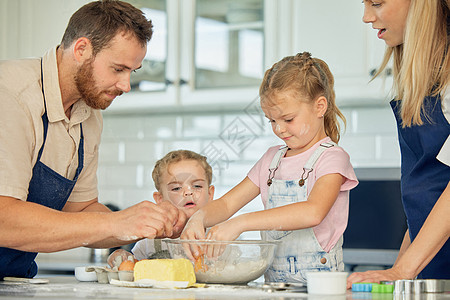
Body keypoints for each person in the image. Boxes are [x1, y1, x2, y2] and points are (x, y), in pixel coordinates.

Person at [0, 0, 186, 279]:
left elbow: (82, 211)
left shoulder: (88, 115)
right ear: (81, 50)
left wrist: (145, 223)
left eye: (131, 72)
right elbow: (4, 220)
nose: (126, 86)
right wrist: (117, 223)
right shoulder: (10, 95)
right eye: (118, 69)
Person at [181, 52, 358, 284]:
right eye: (272, 120)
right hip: (275, 287)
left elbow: (313, 211)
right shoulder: (271, 160)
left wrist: (240, 223)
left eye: (288, 119)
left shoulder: (332, 158)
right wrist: (198, 218)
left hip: (321, 288)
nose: (279, 129)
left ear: (320, 107)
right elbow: (226, 204)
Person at [347, 0, 450, 286]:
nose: (367, 17)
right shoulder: (424, 81)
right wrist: (397, 277)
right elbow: (429, 198)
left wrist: (403, 271)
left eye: (377, 2)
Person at [107, 150, 215, 267]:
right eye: (177, 188)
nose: (188, 192)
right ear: (160, 199)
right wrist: (121, 256)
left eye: (197, 186)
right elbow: (132, 266)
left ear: (210, 194)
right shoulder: (151, 241)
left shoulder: (219, 237)